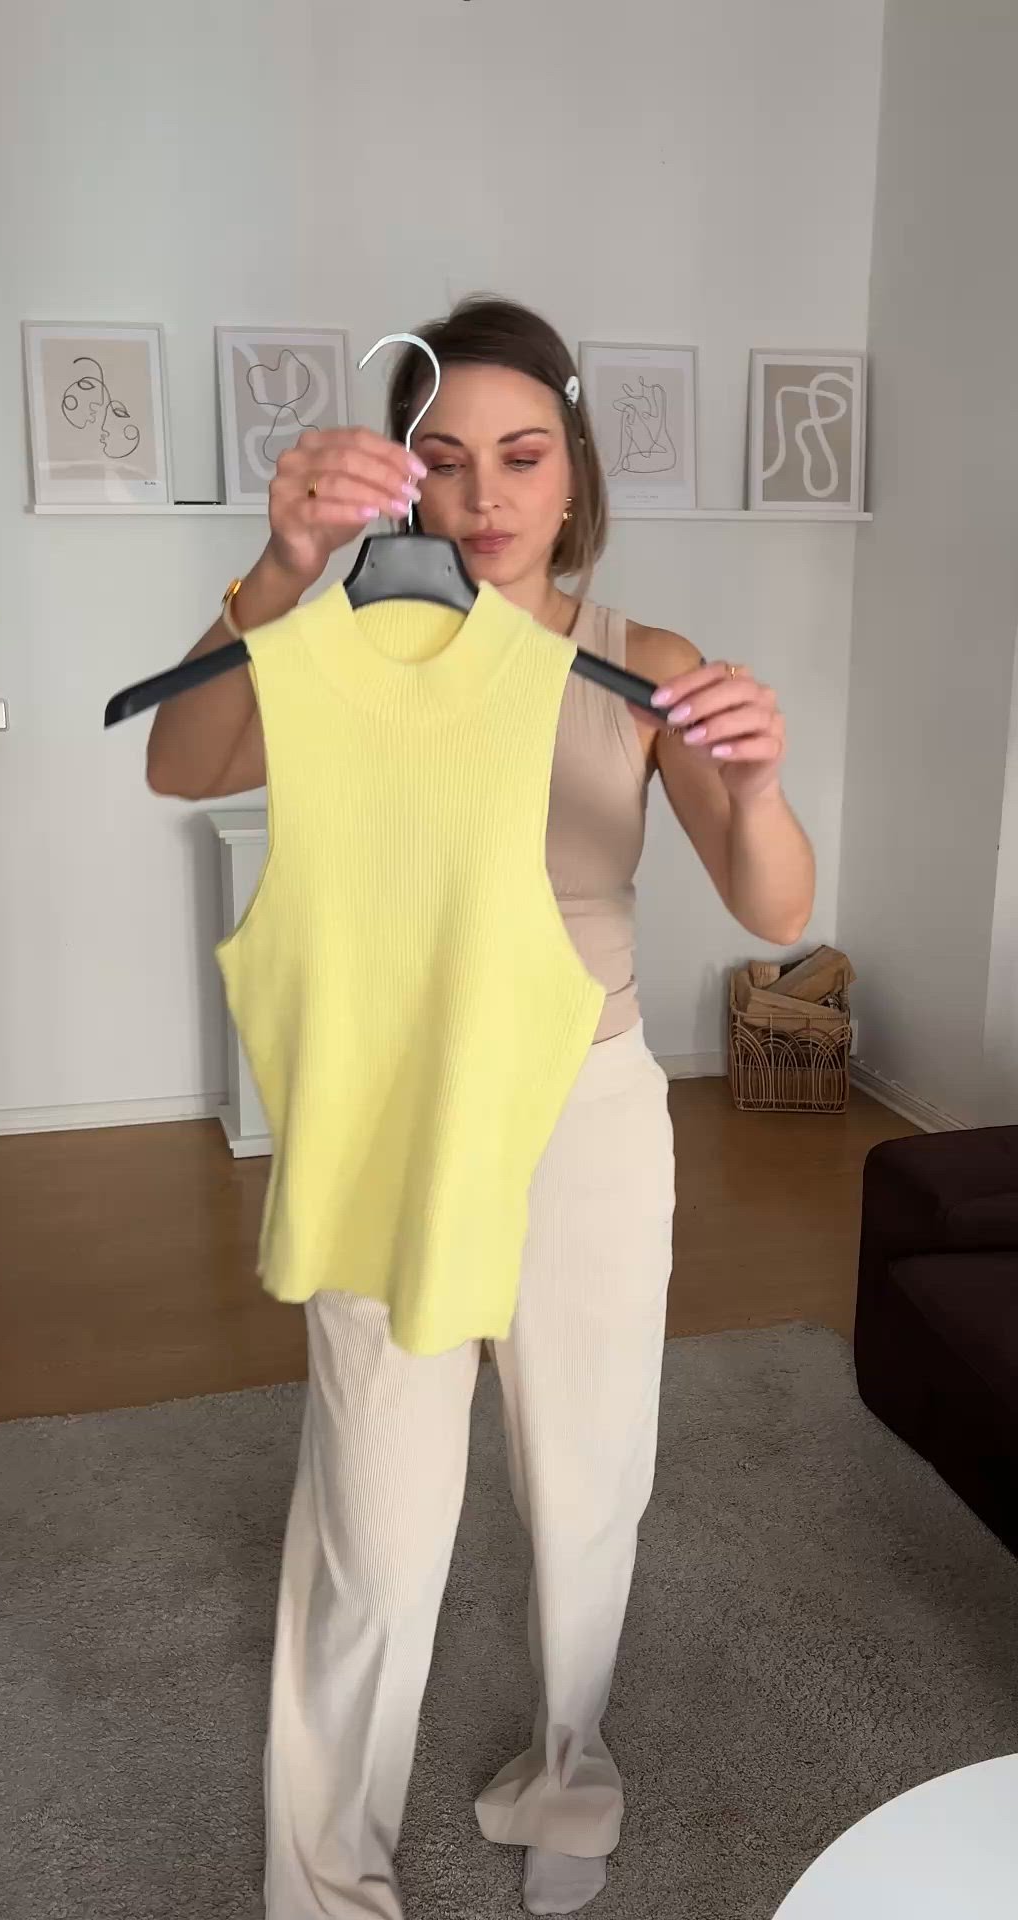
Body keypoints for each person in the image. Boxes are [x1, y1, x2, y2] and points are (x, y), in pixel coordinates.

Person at [147, 296, 815, 1919]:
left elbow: (777, 906)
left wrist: (757, 781)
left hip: (585, 1106)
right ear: (400, 478)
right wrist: (280, 568)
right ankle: (327, 1869)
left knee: (588, 1490)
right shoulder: (329, 647)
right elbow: (181, 761)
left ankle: (567, 1776)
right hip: (393, 1120)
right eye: (444, 460)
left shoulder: (643, 664)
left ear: (574, 469)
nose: (487, 494)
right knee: (379, 1532)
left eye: (523, 455)